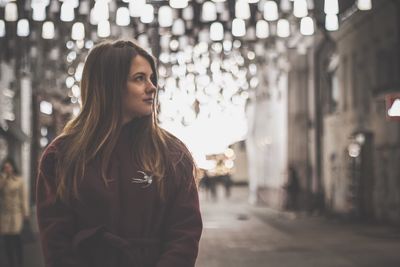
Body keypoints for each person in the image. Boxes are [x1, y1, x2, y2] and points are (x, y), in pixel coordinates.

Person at [36, 39, 203, 267]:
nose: (152, 87)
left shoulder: (172, 154)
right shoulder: (62, 156)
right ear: (109, 85)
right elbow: (56, 242)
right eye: (139, 78)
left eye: (152, 78)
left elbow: (185, 233)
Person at [0, 158, 29, 267]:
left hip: (16, 214)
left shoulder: (19, 180)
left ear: (13, 168)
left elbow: (24, 197)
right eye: (5, 167)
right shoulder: (2, 180)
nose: (7, 169)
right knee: (7, 240)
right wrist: (4, 179)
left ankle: (20, 261)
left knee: (17, 239)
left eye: (9, 167)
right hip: (4, 215)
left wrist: (25, 212)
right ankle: (11, 263)